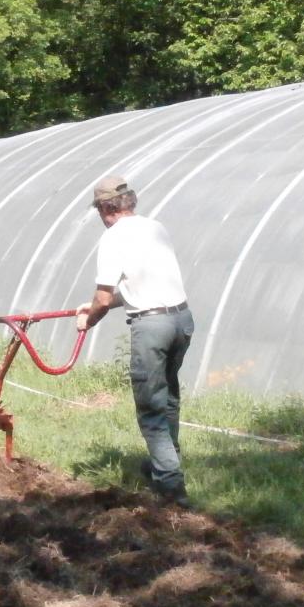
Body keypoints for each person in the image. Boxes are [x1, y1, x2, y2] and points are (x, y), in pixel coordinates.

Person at [76, 175, 195, 507]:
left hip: (152, 327)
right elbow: (137, 284)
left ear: (105, 208)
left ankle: (171, 488)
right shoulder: (155, 227)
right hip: (181, 319)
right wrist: (105, 304)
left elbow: (102, 296)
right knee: (168, 396)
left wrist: (89, 318)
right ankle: (164, 463)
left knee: (150, 408)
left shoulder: (114, 237)